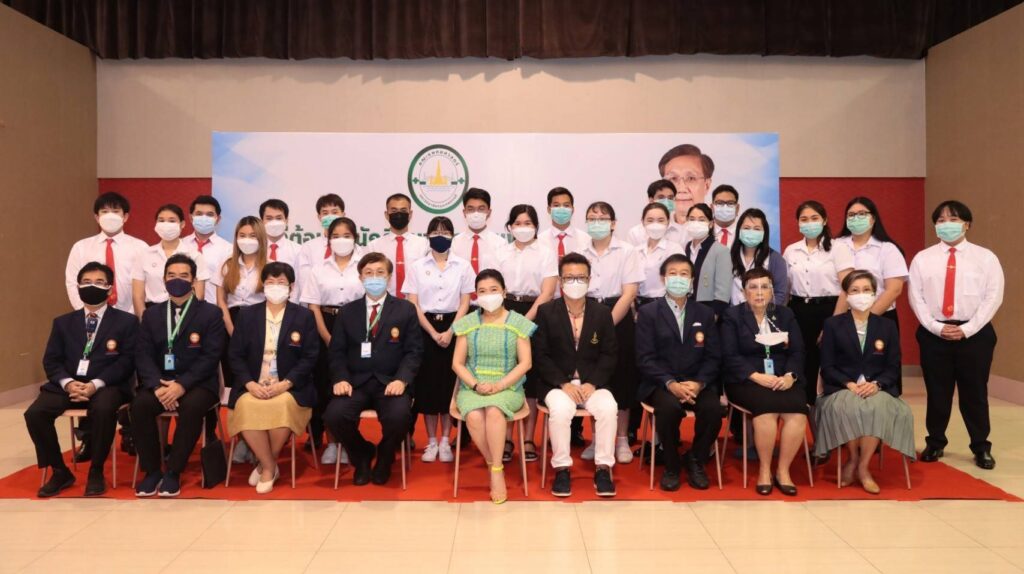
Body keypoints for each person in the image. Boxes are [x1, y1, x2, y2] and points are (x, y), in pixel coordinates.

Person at [26, 263, 138, 497]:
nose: (91, 286)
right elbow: (51, 360)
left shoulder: (126, 322)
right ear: (78, 287)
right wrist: (68, 383)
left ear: (109, 289)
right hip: (68, 385)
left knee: (104, 408)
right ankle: (59, 471)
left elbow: (127, 361)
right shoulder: (62, 322)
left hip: (107, 385)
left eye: (99, 282)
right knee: (35, 413)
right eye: (86, 282)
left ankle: (96, 470)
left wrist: (95, 384)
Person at [909, 201, 1003, 469]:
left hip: (975, 334)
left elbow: (993, 297)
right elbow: (916, 298)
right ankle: (935, 442)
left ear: (966, 224)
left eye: (953, 219)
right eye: (940, 220)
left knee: (975, 392)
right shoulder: (922, 259)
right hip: (934, 334)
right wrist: (936, 327)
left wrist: (967, 329)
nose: (946, 224)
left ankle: (981, 446)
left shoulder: (986, 258)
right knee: (937, 392)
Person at [324, 252, 423, 486]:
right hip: (355, 382)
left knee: (400, 416)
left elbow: (414, 351)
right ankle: (362, 454)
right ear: (360, 278)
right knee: (334, 416)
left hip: (390, 382)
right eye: (368, 273)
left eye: (380, 273)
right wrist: (340, 378)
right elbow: (337, 351)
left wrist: (402, 379)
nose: (374, 278)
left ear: (389, 277)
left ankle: (386, 457)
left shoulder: (405, 309)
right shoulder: (347, 311)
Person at [131, 254, 227, 497]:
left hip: (198, 384)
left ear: (193, 280)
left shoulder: (211, 314)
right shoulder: (151, 315)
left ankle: (173, 471)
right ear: (164, 279)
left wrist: (182, 385)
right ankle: (152, 471)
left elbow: (211, 357)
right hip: (160, 383)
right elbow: (143, 355)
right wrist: (157, 386)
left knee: (192, 407)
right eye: (171, 275)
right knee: (140, 405)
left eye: (184, 276)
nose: (177, 280)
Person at [817, 270, 915, 493]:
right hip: (842, 387)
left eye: (866, 290)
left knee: (875, 407)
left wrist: (877, 385)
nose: (861, 295)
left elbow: (893, 366)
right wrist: (849, 384)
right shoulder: (833, 325)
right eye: (854, 290)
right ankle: (852, 458)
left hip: (877, 388)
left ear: (874, 293)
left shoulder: (887, 326)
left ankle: (863, 466)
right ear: (846, 295)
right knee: (851, 407)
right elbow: (827, 366)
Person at [227, 262, 318, 494]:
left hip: (290, 386)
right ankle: (269, 465)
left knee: (283, 405)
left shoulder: (304, 316)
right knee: (246, 405)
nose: (275, 286)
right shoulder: (247, 315)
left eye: (281, 282)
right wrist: (250, 384)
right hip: (253, 383)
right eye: (270, 282)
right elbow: (235, 355)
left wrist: (285, 384)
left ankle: (265, 465)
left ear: (291, 286)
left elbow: (310, 357)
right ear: (263, 285)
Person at [533, 253, 618, 497]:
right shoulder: (546, 311)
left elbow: (610, 353)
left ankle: (603, 468)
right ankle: (562, 469)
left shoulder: (602, 312)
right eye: (569, 278)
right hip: (558, 384)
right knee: (561, 411)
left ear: (589, 280)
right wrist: (563, 383)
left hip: (593, 383)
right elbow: (541, 355)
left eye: (581, 277)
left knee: (608, 408)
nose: (575, 282)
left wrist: (593, 383)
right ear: (560, 281)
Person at [636, 254, 722, 491]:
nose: (678, 278)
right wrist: (670, 383)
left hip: (696, 382)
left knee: (713, 409)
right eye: (672, 273)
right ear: (663, 278)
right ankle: (672, 464)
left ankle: (696, 459)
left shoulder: (704, 313)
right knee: (669, 409)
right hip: (661, 383)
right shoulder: (649, 312)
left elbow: (714, 356)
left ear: (692, 280)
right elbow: (644, 358)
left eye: (684, 274)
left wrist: (700, 383)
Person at [452, 269, 537, 504]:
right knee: (474, 416)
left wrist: (500, 385)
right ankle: (493, 464)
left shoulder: (518, 323)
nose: (488, 295)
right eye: (482, 291)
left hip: (508, 387)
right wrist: (475, 384)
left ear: (504, 292)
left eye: (493, 290)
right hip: (473, 386)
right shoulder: (467, 323)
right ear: (476, 296)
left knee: (493, 411)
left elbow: (526, 363)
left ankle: (496, 471)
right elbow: (457, 363)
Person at [721, 268, 807, 496]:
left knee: (797, 411)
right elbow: (729, 356)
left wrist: (790, 376)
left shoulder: (785, 314)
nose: (759, 292)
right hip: (747, 380)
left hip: (783, 378)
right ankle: (764, 470)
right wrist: (757, 376)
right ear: (744, 291)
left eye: (764, 287)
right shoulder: (732, 316)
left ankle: (783, 471)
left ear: (772, 290)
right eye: (753, 287)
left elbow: (798, 351)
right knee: (766, 410)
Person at [403, 216, 474, 463]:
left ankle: (445, 440)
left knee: (448, 385)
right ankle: (431, 441)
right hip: (425, 327)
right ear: (428, 236)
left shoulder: (463, 266)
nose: (440, 236)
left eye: (445, 232)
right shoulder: (417, 266)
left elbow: (465, 302)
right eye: (435, 232)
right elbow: (413, 303)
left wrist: (452, 331)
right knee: (427, 386)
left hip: (455, 326)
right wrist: (433, 333)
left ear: (453, 236)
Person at [494, 204, 558, 463]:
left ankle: (529, 438)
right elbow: (492, 287)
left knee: (531, 379)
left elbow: (548, 291)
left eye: (528, 223)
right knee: (507, 373)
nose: (523, 228)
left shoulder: (546, 252)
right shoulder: (500, 252)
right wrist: (504, 318)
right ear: (510, 227)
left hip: (536, 312)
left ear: (536, 226)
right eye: (518, 223)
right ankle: (507, 437)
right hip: (503, 310)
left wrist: (524, 320)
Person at [581, 201, 642, 463]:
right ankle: (597, 439)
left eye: (602, 218)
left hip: (619, 314)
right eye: (592, 218)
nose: (597, 222)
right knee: (593, 376)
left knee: (622, 377)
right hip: (587, 313)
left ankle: (622, 439)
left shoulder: (627, 251)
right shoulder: (580, 251)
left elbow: (629, 293)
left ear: (613, 223)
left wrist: (606, 324)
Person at [301, 217, 365, 464]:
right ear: (328, 240)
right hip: (325, 326)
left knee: (353, 384)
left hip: (357, 325)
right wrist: (327, 338)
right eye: (336, 236)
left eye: (346, 235)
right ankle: (331, 442)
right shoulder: (319, 269)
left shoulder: (364, 265)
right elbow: (313, 307)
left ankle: (348, 441)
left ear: (355, 238)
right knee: (326, 385)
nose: (341, 240)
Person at [783, 200, 854, 407]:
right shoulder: (791, 250)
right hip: (798, 310)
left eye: (814, 218)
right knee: (803, 362)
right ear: (798, 223)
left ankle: (830, 413)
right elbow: (786, 289)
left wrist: (833, 322)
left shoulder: (838, 248)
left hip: (830, 310)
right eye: (804, 219)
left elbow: (847, 288)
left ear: (824, 220)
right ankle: (805, 411)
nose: (809, 223)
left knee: (829, 362)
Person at [835, 196, 909, 393]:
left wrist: (867, 320)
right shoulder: (836, 245)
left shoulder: (887, 249)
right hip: (844, 319)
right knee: (845, 373)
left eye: (862, 214)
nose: (856, 218)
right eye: (851, 215)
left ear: (873, 218)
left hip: (880, 317)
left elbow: (894, 289)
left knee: (879, 371)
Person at [65, 191, 147, 314]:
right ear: (97, 218)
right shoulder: (81, 247)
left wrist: (131, 315)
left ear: (125, 217)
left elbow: (146, 285)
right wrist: (86, 312)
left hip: (131, 315)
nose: (110, 216)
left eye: (115, 211)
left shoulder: (141, 247)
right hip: (90, 314)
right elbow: (72, 283)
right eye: (104, 212)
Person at [212, 216, 268, 391]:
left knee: (256, 367)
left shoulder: (270, 266)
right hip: (231, 319)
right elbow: (221, 301)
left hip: (260, 320)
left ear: (261, 238)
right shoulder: (227, 264)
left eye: (252, 236)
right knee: (232, 368)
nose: (247, 240)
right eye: (242, 235)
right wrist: (231, 330)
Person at [132, 203, 209, 316]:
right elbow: (137, 296)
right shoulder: (144, 254)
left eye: (172, 221)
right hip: (152, 312)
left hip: (184, 312)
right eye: (161, 220)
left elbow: (199, 294)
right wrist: (144, 321)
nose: (166, 224)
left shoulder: (194, 255)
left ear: (182, 224)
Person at [367, 193, 430, 298]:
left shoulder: (424, 244)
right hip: (385, 303)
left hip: (415, 302)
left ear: (410, 214)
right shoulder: (374, 246)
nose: (399, 214)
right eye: (394, 211)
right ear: (386, 215)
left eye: (403, 211)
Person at [729, 208, 790, 306]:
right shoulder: (728, 257)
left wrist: (763, 311)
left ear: (764, 233)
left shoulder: (776, 259)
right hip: (733, 313)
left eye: (757, 229)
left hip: (764, 313)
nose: (751, 232)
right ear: (739, 231)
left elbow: (780, 294)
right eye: (746, 228)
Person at [682, 204, 732, 318]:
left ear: (711, 223)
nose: (696, 223)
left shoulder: (721, 250)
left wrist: (714, 315)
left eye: (701, 219)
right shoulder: (686, 247)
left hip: (708, 309)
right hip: (686, 307)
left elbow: (723, 292)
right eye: (692, 219)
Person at [182, 195, 233, 305]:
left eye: (209, 214)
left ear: (218, 219)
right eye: (199, 214)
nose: (204, 218)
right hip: (182, 307)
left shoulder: (229, 249)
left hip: (215, 308)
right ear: (191, 218)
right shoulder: (180, 245)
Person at [633, 203, 685, 307]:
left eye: (661, 220)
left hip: (666, 303)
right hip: (640, 303)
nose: (655, 225)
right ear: (642, 222)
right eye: (650, 220)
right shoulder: (636, 251)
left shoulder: (674, 249)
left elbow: (680, 281)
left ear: (668, 222)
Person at [451, 187, 506, 279]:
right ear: (464, 212)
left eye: (481, 209)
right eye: (471, 209)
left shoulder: (500, 244)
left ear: (489, 212)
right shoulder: (455, 243)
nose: (476, 214)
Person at [297, 194, 346, 289]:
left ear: (343, 215)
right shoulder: (308, 247)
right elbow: (304, 280)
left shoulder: (353, 247)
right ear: (319, 217)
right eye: (325, 213)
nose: (330, 216)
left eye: (335, 212)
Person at [657, 144, 714, 226]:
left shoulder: (722, 231)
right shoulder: (648, 229)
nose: (681, 189)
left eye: (691, 178)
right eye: (673, 178)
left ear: (707, 185)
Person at [260, 198, 302, 300]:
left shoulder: (298, 250)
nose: (274, 222)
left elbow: (299, 284)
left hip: (289, 305)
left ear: (286, 220)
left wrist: (290, 307)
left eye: (279, 218)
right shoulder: (255, 250)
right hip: (257, 306)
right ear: (261, 221)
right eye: (269, 218)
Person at [626, 180, 688, 246]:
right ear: (651, 200)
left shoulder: (682, 232)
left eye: (670, 198)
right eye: (661, 197)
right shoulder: (635, 233)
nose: (667, 201)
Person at [539, 187, 591, 260]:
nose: (561, 209)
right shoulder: (539, 241)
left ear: (572, 209)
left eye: (566, 205)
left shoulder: (586, 239)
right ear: (549, 209)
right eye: (556, 205)